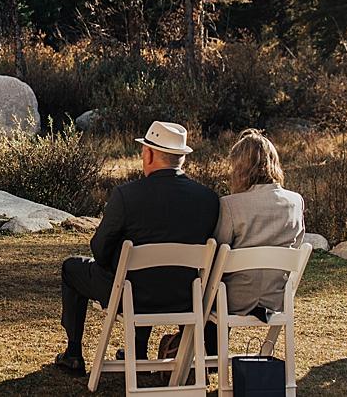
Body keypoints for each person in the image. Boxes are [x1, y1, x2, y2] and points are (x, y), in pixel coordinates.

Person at [54, 121, 220, 373]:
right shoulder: (208, 199)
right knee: (151, 276)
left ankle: (74, 353)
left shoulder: (126, 196)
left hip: (131, 296)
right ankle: (137, 350)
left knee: (72, 269)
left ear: (149, 153)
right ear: (181, 158)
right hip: (185, 296)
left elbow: (99, 251)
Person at [162, 129, 305, 360]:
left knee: (201, 288)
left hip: (234, 299)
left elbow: (216, 255)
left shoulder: (230, 205)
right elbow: (296, 245)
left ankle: (204, 355)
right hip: (275, 297)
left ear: (240, 167)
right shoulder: (295, 202)